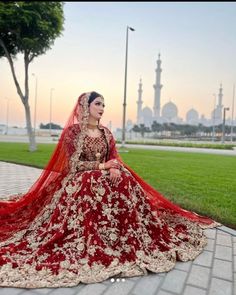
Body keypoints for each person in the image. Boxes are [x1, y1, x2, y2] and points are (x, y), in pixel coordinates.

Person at [0, 91, 220, 288]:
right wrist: (102, 166)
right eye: (98, 104)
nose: (102, 109)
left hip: (106, 174)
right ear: (86, 107)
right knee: (91, 183)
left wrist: (113, 166)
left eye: (104, 105)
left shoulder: (106, 132)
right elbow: (72, 166)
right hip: (79, 179)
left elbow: (113, 155)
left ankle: (126, 235)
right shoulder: (73, 133)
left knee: (125, 178)